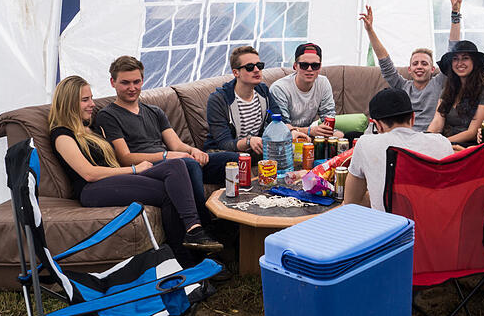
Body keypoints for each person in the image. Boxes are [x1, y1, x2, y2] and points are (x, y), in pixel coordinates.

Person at [48, 75, 223, 262]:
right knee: (168, 193)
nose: (92, 104)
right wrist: (134, 169)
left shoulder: (90, 129)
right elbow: (89, 173)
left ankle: (195, 230)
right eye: (85, 100)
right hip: (92, 189)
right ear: (68, 103)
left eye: (91, 98)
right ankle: (186, 260)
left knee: (176, 165)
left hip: (113, 180)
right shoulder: (62, 135)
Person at [94, 56, 239, 227]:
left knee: (234, 160)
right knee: (188, 164)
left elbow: (176, 145)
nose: (132, 88)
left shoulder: (154, 111)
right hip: (148, 168)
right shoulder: (108, 115)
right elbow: (125, 157)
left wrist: (193, 151)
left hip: (173, 162)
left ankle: (237, 221)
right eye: (125, 83)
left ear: (142, 81)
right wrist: (166, 156)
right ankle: (205, 227)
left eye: (136, 82)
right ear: (113, 82)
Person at [359, 0, 464, 132]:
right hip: (402, 137)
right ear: (410, 69)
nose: (419, 66)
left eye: (424, 63)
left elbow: (453, 52)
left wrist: (455, 13)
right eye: (415, 63)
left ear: (432, 69)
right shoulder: (403, 87)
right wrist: (370, 30)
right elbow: (385, 63)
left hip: (428, 136)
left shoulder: (438, 83)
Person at [344, 88, 454, 211]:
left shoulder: (365, 144)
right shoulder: (442, 143)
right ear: (413, 118)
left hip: (391, 223)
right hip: (434, 221)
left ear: (377, 125)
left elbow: (352, 202)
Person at [204, 45, 306, 154]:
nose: (256, 70)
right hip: (222, 153)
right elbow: (224, 143)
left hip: (253, 151)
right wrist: (249, 141)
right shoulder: (219, 100)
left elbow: (277, 118)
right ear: (236, 72)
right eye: (250, 67)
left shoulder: (262, 91)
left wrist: (292, 131)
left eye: (259, 66)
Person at [426, 40, 484, 146]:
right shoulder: (448, 89)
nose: (459, 63)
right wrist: (427, 139)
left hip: (473, 144)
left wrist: (441, 143)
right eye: (455, 59)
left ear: (475, 62)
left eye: (465, 58)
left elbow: (472, 133)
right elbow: (437, 121)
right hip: (448, 142)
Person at [269, 43, 343, 139]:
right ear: (295, 66)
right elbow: (281, 126)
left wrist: (326, 131)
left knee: (339, 135)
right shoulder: (280, 88)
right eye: (304, 65)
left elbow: (328, 115)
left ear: (320, 67)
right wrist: (309, 131)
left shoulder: (323, 82)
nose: (309, 69)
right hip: (281, 136)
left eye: (315, 65)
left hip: (307, 135)